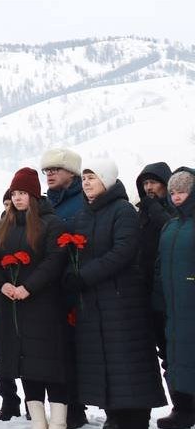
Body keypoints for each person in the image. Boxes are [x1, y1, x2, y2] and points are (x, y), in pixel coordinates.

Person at [64, 160, 166, 429]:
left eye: (92, 178)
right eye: (84, 178)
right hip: (93, 302)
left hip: (123, 300)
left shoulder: (123, 211)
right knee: (103, 360)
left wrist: (85, 276)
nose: (86, 183)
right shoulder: (84, 215)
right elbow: (75, 251)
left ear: (106, 181)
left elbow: (123, 251)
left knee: (128, 359)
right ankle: (114, 414)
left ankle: (135, 417)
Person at [0, 168, 71, 429]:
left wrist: (28, 287)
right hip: (13, 308)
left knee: (51, 365)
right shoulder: (0, 228)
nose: (18, 198)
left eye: (23, 193)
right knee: (26, 366)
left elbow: (54, 260)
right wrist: (2, 285)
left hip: (45, 306)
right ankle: (38, 422)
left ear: (33, 195)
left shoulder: (52, 224)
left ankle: (58, 422)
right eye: (14, 193)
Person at [41, 148, 88, 429]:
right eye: (46, 171)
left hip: (80, 288)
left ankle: (79, 406)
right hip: (53, 290)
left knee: (82, 351)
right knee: (61, 354)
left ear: (71, 172)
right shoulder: (46, 205)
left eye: (55, 170)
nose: (50, 174)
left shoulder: (83, 202)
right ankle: (71, 407)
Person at [137, 163, 183, 416]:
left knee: (181, 354)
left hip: (175, 295)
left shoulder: (176, 211)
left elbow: (172, 232)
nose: (149, 188)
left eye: (154, 182)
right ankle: (180, 406)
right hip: (150, 295)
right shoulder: (141, 214)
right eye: (145, 184)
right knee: (165, 355)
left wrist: (154, 208)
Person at [156, 168, 195, 429]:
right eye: (172, 192)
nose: (177, 196)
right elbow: (160, 265)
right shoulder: (170, 226)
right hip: (173, 304)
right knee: (177, 357)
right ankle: (182, 408)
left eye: (182, 191)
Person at [0, 192, 23, 424]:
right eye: (6, 204)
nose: (10, 207)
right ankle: (9, 401)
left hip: (29, 299)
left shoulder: (32, 228)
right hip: (3, 300)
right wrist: (0, 283)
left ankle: (33, 403)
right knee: (2, 354)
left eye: (14, 203)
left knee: (30, 355)